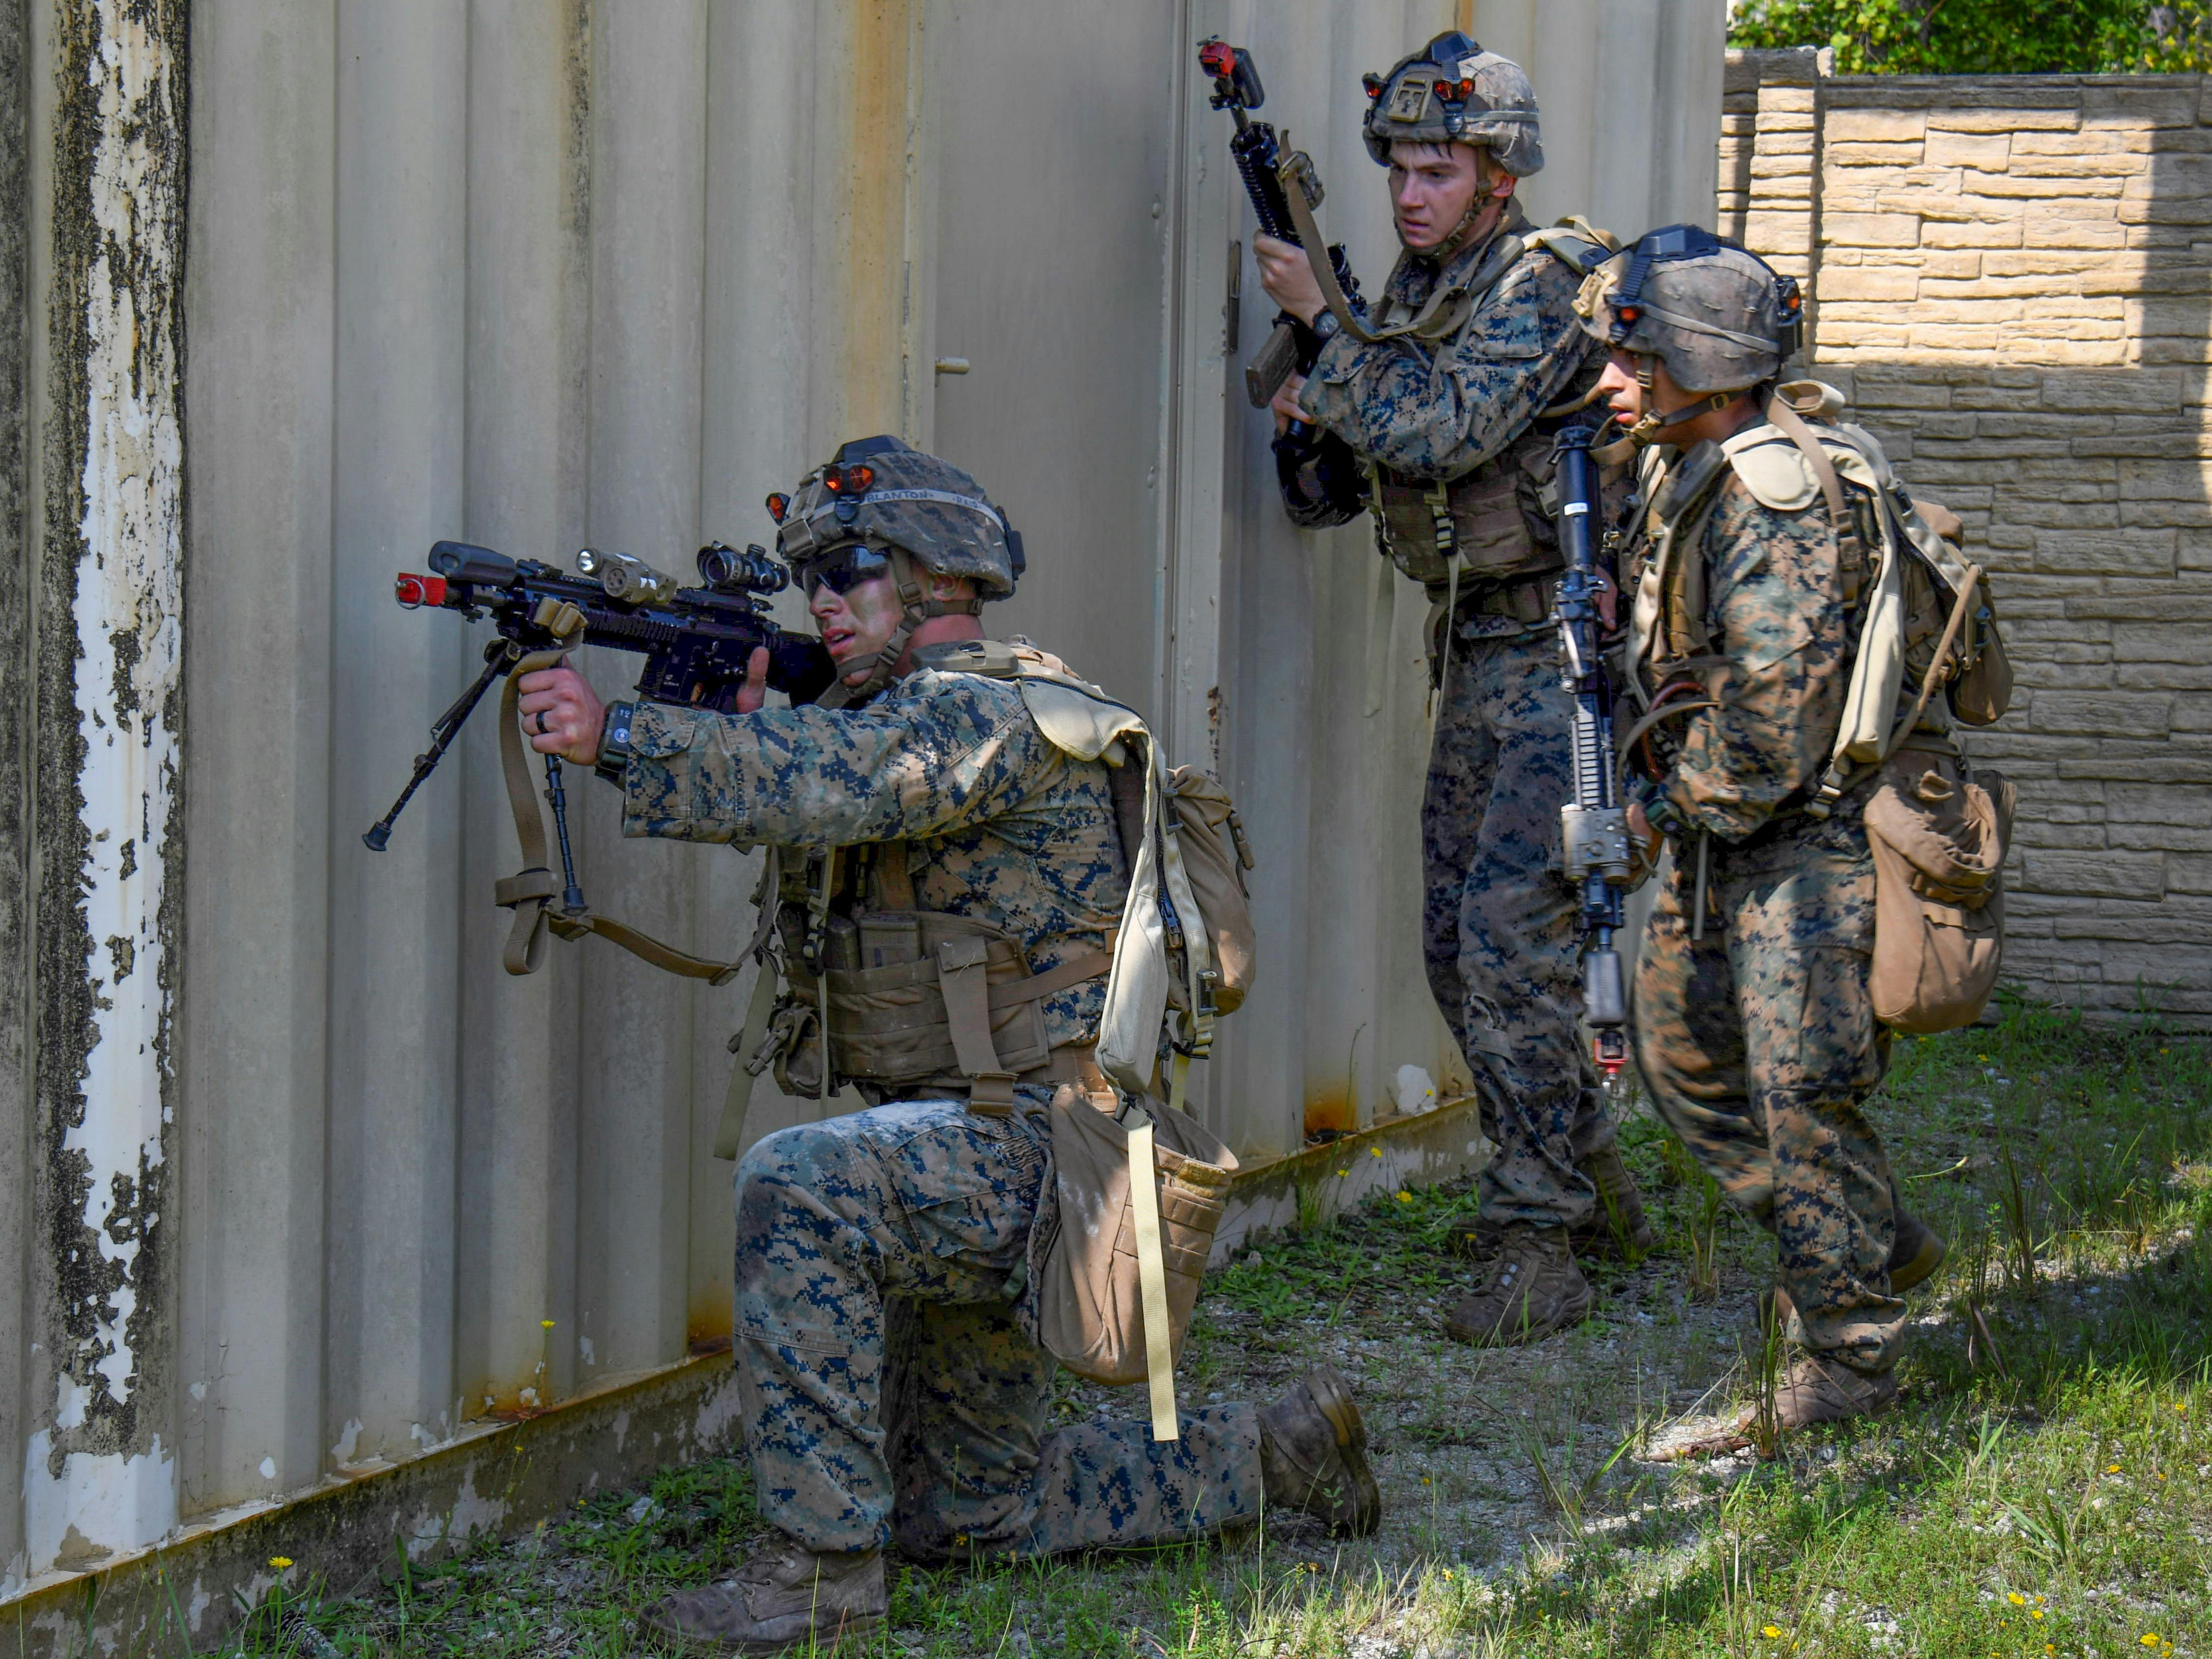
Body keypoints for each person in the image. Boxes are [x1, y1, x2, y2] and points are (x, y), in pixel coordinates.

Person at [517, 436, 1380, 1655]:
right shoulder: (905, 718)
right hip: (970, 1141)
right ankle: (1280, 1451)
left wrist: (619, 735)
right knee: (973, 1511)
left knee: (799, 1181)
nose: (822, 593)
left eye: (853, 566)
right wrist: (740, 720)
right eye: (809, 569)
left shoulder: (992, 709)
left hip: (1044, 1150)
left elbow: (838, 778)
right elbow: (831, 780)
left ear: (935, 578)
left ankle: (816, 1577)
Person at [1252, 32, 1651, 1347]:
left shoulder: (1544, 285)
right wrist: (1306, 416)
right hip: (1471, 652)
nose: (1410, 194)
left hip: (1561, 659)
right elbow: (1339, 492)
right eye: (1399, 173)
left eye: (1436, 170)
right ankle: (1588, 1186)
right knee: (1456, 950)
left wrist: (1323, 325)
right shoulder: (1417, 302)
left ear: (1496, 174)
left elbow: (1440, 431)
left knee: (1508, 947)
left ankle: (1536, 1242)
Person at [1577, 227, 1947, 1428]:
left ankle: (1847, 1361)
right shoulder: (1687, 469)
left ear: (1705, 363)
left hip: (1804, 846)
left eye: (1635, 360)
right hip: (1732, 838)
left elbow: (1775, 722)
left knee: (1802, 1103)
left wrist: (1652, 810)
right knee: (1685, 1061)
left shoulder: (1766, 489)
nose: (1611, 381)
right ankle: (1865, 1238)